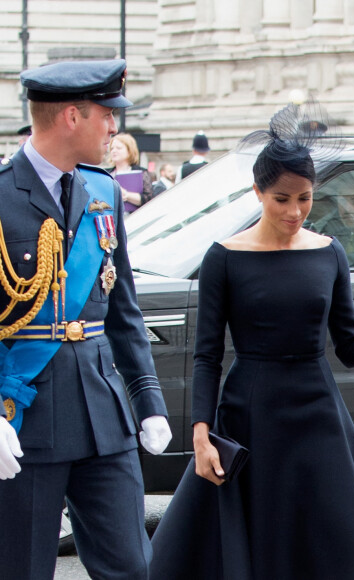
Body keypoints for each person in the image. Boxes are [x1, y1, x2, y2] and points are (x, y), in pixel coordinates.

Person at [149, 103, 354, 580]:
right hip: (249, 414)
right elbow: (207, 355)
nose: (295, 211)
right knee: (254, 536)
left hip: (318, 413)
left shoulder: (329, 252)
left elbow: (351, 347)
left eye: (304, 198)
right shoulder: (224, 257)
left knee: (334, 537)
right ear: (257, 192)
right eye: (281, 199)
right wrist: (200, 432)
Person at [0, 59, 172, 579]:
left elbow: (123, 310)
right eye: (107, 114)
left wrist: (148, 401)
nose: (116, 128)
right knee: (22, 568)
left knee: (131, 568)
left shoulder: (104, 192)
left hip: (102, 412)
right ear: (71, 116)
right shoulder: (3, 194)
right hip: (25, 416)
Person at [107, 132, 153, 213]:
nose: (114, 151)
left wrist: (126, 194)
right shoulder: (107, 174)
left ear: (129, 151)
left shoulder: (141, 172)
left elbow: (148, 199)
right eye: (112, 148)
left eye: (119, 148)